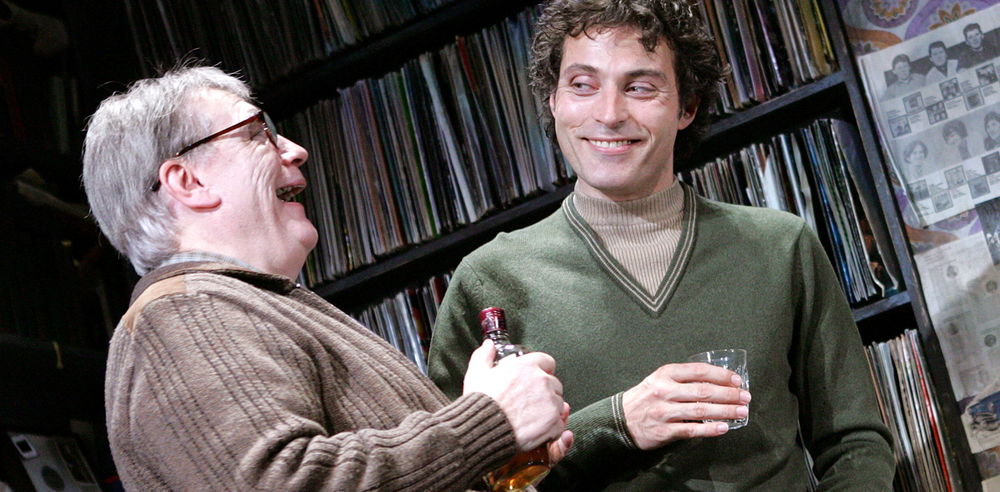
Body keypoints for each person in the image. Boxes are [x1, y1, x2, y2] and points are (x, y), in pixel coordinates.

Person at [427, 0, 896, 490]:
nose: (608, 114)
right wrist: (618, 423)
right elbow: (455, 480)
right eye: (582, 85)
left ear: (687, 107)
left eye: (640, 87)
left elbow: (855, 443)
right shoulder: (489, 282)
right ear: (553, 101)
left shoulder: (780, 247)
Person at [82, 64, 573, 491]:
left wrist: (494, 464)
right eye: (259, 134)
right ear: (189, 182)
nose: (295, 150)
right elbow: (278, 484)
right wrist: (488, 421)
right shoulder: (183, 314)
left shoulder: (245, 306)